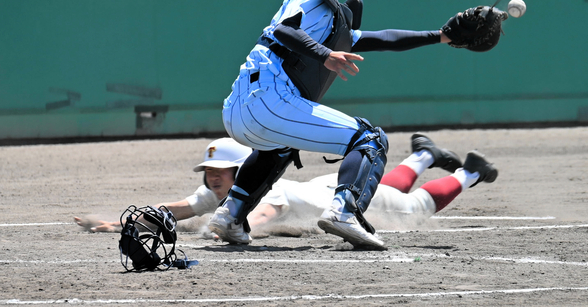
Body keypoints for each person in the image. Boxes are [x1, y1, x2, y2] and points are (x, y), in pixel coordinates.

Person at [210, 0, 498, 250]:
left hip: (239, 109)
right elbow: (285, 30)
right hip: (269, 99)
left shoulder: (321, 23)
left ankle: (231, 215)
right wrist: (326, 55)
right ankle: (344, 211)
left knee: (278, 149)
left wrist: (440, 36)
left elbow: (384, 39)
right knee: (369, 138)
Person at [74, 135, 498, 235]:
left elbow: (260, 217)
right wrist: (123, 225)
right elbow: (180, 209)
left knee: (413, 208)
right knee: (386, 184)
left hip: (346, 201)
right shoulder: (224, 191)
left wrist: (231, 232)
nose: (211, 177)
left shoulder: (265, 191)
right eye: (209, 171)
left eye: (219, 170)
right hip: (323, 187)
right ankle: (424, 155)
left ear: (243, 171)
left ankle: (469, 172)